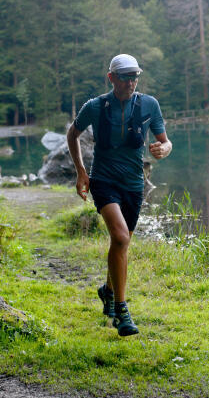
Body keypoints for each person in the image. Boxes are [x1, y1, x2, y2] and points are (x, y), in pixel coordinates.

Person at [67, 54, 172, 336]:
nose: (131, 82)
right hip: (104, 181)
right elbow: (72, 133)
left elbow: (165, 141)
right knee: (121, 237)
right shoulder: (96, 107)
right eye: (125, 77)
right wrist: (81, 172)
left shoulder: (150, 104)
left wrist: (164, 149)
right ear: (111, 78)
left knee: (121, 244)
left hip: (134, 185)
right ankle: (122, 312)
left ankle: (108, 289)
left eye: (135, 76)